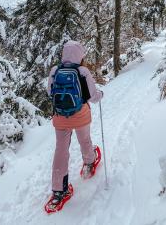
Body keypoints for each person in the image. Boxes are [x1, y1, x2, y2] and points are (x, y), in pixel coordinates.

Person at [46, 40, 103, 211]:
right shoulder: (82, 71)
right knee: (84, 139)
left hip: (60, 117)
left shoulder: (55, 70)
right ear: (80, 55)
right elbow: (93, 96)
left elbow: (50, 92)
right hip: (80, 114)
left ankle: (58, 191)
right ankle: (89, 163)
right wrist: (100, 94)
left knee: (61, 149)